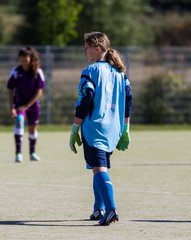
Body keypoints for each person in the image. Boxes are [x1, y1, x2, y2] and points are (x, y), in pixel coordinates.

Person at [69, 32, 133, 226]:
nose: (85, 51)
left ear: (97, 48)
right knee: (99, 168)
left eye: (87, 47)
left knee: (99, 169)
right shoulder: (120, 74)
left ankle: (111, 209)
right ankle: (99, 209)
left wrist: (75, 127)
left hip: (94, 128)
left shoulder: (90, 71)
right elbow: (128, 100)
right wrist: (126, 129)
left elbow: (86, 98)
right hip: (113, 129)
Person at [7, 47, 45, 162]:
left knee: (32, 129)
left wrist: (28, 105)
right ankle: (18, 153)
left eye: (26, 59)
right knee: (19, 121)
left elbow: (39, 91)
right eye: (21, 59)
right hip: (19, 105)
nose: (23, 62)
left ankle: (32, 152)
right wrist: (12, 107)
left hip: (33, 105)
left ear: (31, 58)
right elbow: (10, 89)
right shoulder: (15, 71)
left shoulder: (37, 72)